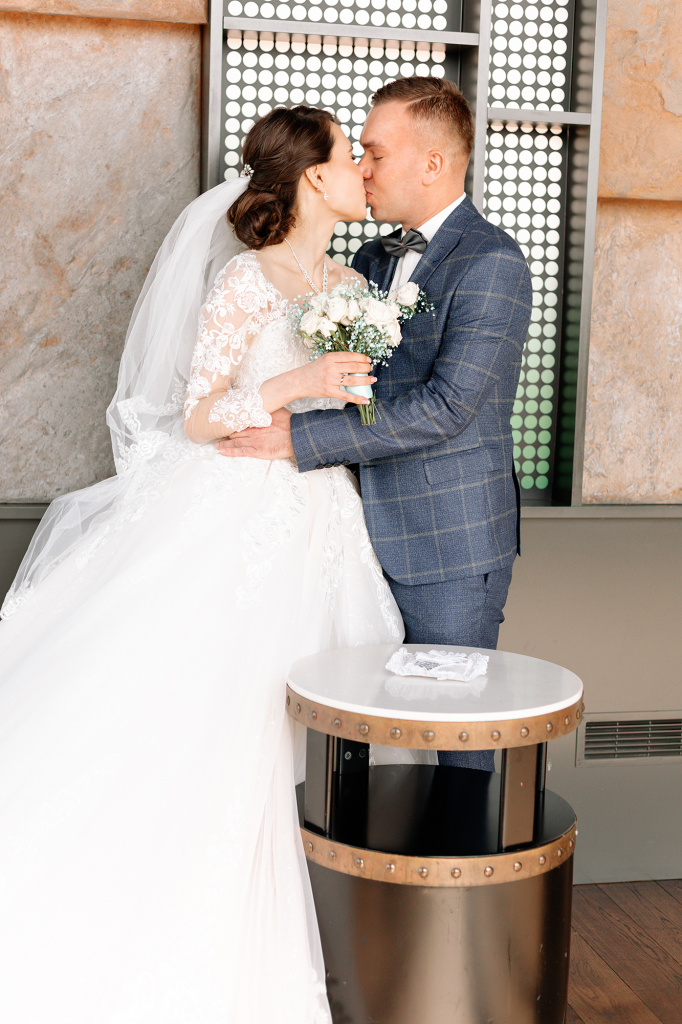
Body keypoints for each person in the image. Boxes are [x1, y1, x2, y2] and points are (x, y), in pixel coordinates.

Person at [0, 106, 410, 1023]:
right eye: (350, 155)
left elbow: (360, 409)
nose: (362, 169)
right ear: (314, 177)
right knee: (223, 721)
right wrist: (296, 383)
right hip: (237, 517)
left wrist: (346, 397)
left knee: (308, 726)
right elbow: (196, 415)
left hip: (321, 513)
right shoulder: (244, 278)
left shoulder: (354, 283)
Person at [217, 77, 534, 773]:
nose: (362, 168)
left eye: (376, 153)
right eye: (357, 152)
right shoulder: (365, 262)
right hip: (346, 530)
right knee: (349, 728)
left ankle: (456, 848)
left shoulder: (493, 263)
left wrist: (298, 438)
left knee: (454, 737)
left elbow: (449, 407)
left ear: (433, 163)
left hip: (446, 542)